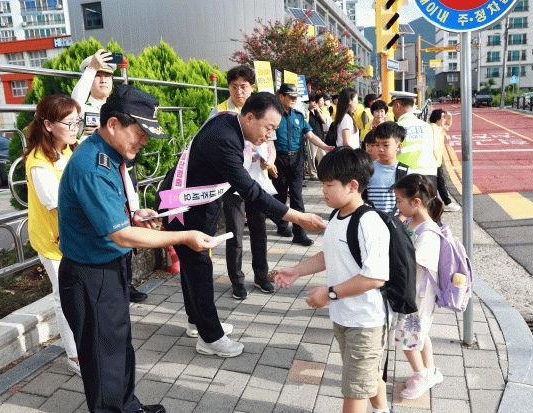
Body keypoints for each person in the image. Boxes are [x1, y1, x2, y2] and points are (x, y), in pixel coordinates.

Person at [58, 84, 215, 413]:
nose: (144, 141)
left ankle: (128, 406)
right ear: (113, 124)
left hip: (108, 269)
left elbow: (107, 218)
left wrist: (133, 215)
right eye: (140, 132)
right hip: (91, 275)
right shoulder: (93, 166)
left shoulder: (109, 155)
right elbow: (121, 236)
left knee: (117, 346)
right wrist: (183, 236)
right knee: (103, 357)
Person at [158, 92, 327, 359]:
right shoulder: (225, 138)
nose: (270, 135)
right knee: (199, 267)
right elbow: (251, 190)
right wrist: (298, 217)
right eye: (268, 128)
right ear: (249, 117)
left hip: (196, 206)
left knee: (194, 266)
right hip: (184, 210)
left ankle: (197, 322)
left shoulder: (231, 124)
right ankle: (210, 338)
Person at [274, 147, 392, 413]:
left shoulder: (369, 223)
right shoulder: (337, 215)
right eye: (323, 184)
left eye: (329, 185)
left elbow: (375, 278)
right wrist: (297, 270)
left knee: (354, 389)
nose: (323, 191)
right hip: (344, 317)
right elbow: (330, 254)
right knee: (364, 374)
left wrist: (329, 294)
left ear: (353, 186)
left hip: (366, 321)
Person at [72, 49, 147, 303]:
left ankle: (128, 283)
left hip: (123, 175)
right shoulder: (84, 108)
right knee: (111, 230)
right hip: (99, 177)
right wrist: (91, 67)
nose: (103, 80)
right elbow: (75, 104)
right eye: (98, 75)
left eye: (108, 76)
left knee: (128, 222)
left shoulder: (119, 108)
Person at [25, 95, 81, 376]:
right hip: (53, 240)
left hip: (72, 237)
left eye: (77, 121)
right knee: (65, 297)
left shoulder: (66, 148)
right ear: (48, 125)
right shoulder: (39, 162)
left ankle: (84, 344)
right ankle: (74, 355)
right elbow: (60, 206)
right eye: (69, 123)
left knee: (77, 294)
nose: (75, 128)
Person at [209, 65, 276, 301]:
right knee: (234, 233)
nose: (239, 92)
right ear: (228, 87)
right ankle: (236, 280)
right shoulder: (219, 112)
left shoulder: (262, 110)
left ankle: (261, 276)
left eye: (244, 87)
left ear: (252, 87)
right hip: (232, 184)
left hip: (257, 181)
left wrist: (270, 161)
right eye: (234, 87)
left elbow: (271, 143)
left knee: (260, 232)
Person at [392, 173, 444, 400]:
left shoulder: (429, 231)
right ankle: (430, 371)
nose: (397, 205)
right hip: (410, 291)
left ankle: (421, 374)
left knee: (407, 339)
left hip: (417, 296)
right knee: (419, 334)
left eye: (399, 201)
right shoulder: (410, 222)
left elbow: (410, 262)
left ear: (416, 202)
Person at [272, 83, 333, 246]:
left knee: (297, 197)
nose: (293, 99)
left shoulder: (298, 116)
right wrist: (269, 162)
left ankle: (299, 233)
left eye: (295, 97)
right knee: (280, 195)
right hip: (279, 160)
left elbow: (310, 135)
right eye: (290, 96)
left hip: (296, 160)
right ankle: (281, 225)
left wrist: (325, 146)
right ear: (281, 97)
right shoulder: (273, 115)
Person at [390, 91, 438, 191]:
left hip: (408, 176)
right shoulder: (426, 126)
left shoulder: (397, 127)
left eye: (393, 107)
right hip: (430, 174)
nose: (392, 110)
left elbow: (391, 153)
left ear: (397, 106)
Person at [366, 121, 408, 214]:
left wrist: (398, 221)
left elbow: (409, 204)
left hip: (395, 221)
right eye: (377, 144)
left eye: (386, 145)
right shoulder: (368, 169)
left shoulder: (405, 172)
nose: (380, 149)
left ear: (399, 146)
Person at [429, 109, 460, 212]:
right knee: (439, 182)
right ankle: (447, 202)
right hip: (433, 161)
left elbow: (447, 126)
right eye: (443, 117)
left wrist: (450, 118)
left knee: (438, 182)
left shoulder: (437, 127)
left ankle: (441, 203)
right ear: (437, 118)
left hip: (437, 160)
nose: (444, 119)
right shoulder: (432, 129)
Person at [306, 93, 327, 180]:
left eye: (315, 102)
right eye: (313, 102)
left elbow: (324, 121)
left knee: (322, 155)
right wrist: (307, 115)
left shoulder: (317, 111)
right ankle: (313, 174)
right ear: (308, 102)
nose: (315, 103)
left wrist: (318, 111)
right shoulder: (306, 111)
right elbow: (305, 123)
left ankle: (322, 172)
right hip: (311, 136)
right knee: (312, 156)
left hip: (319, 136)